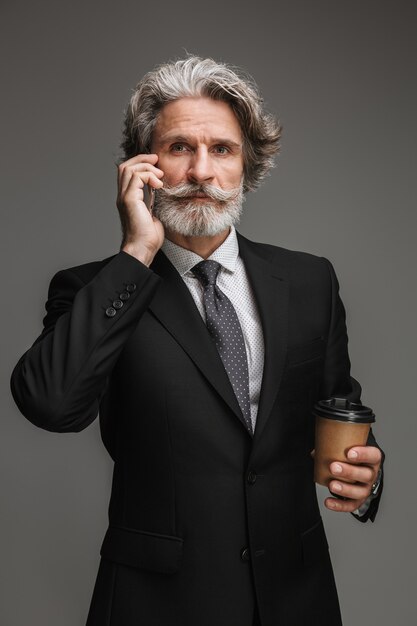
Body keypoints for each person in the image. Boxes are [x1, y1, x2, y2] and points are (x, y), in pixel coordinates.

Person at [10, 56, 384, 626]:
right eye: (180, 147)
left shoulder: (309, 281)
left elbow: (340, 409)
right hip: (156, 603)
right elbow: (51, 405)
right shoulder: (95, 289)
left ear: (247, 166)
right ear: (144, 164)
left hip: (296, 596)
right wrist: (135, 253)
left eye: (223, 150)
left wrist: (366, 473)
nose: (202, 171)